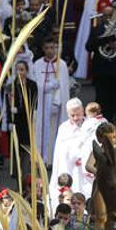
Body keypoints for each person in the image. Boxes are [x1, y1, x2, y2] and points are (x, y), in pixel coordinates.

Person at [33, 38, 70, 166]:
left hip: (57, 103)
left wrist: (58, 100)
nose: (50, 50)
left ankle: (55, 159)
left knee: (56, 129)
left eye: (52, 47)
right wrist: (49, 85)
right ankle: (42, 158)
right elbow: (35, 84)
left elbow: (64, 87)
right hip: (42, 103)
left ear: (56, 48)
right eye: (47, 48)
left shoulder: (62, 65)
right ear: (43, 49)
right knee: (42, 130)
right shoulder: (37, 64)